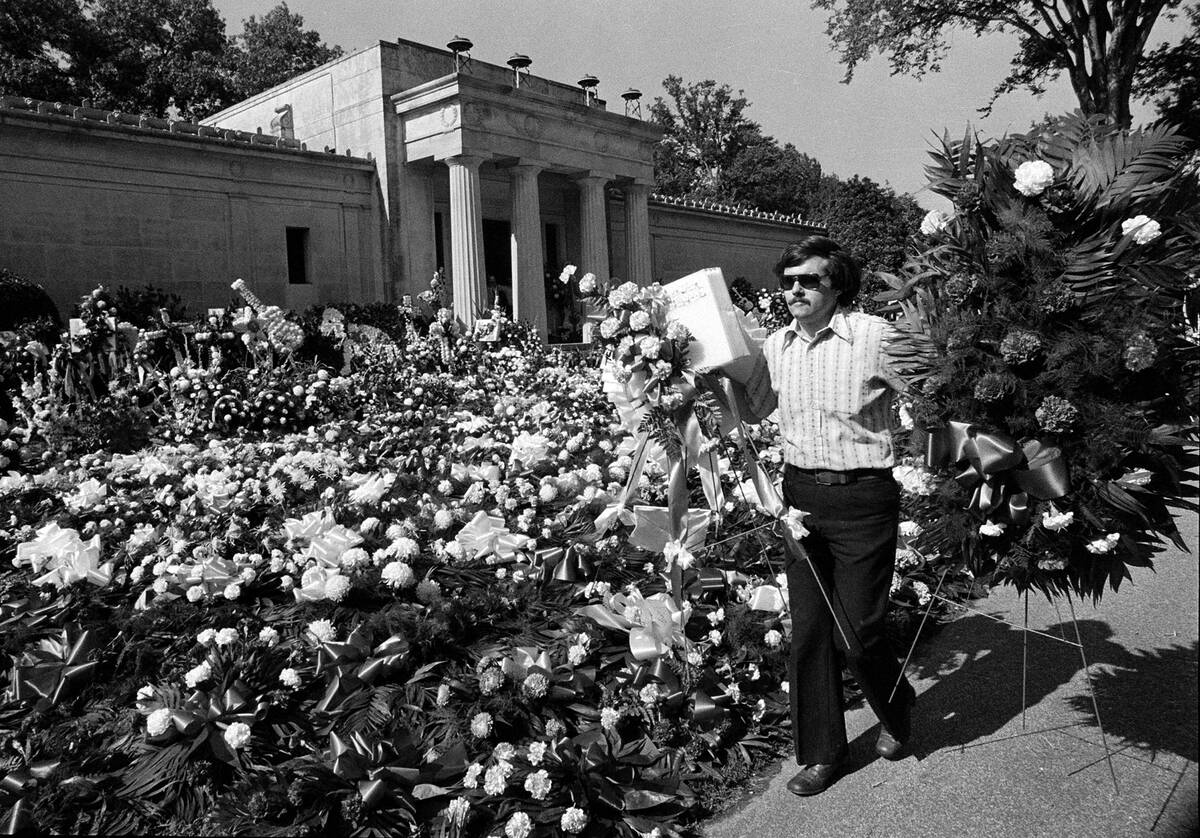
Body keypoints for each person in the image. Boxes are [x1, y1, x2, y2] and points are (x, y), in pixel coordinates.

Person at [731, 235, 917, 796]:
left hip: (863, 498)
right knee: (809, 631)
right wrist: (702, 378)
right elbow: (755, 406)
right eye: (787, 282)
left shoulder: (875, 337)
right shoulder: (777, 347)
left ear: (836, 283)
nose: (794, 291)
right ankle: (822, 753)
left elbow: (927, 396)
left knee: (859, 631)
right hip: (801, 502)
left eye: (808, 280)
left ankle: (896, 700)